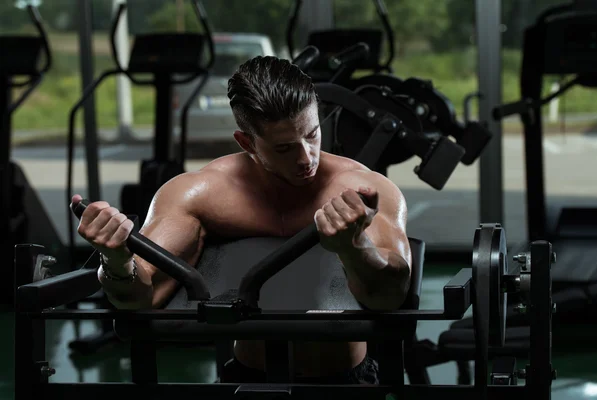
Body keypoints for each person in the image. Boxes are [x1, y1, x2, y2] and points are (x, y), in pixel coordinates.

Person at [71, 55, 412, 385]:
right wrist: (116, 259)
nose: (306, 157)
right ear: (247, 142)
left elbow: (391, 294)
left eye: (311, 134)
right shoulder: (201, 194)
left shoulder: (362, 188)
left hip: (345, 380)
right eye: (283, 148)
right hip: (247, 378)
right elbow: (141, 295)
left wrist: (355, 247)